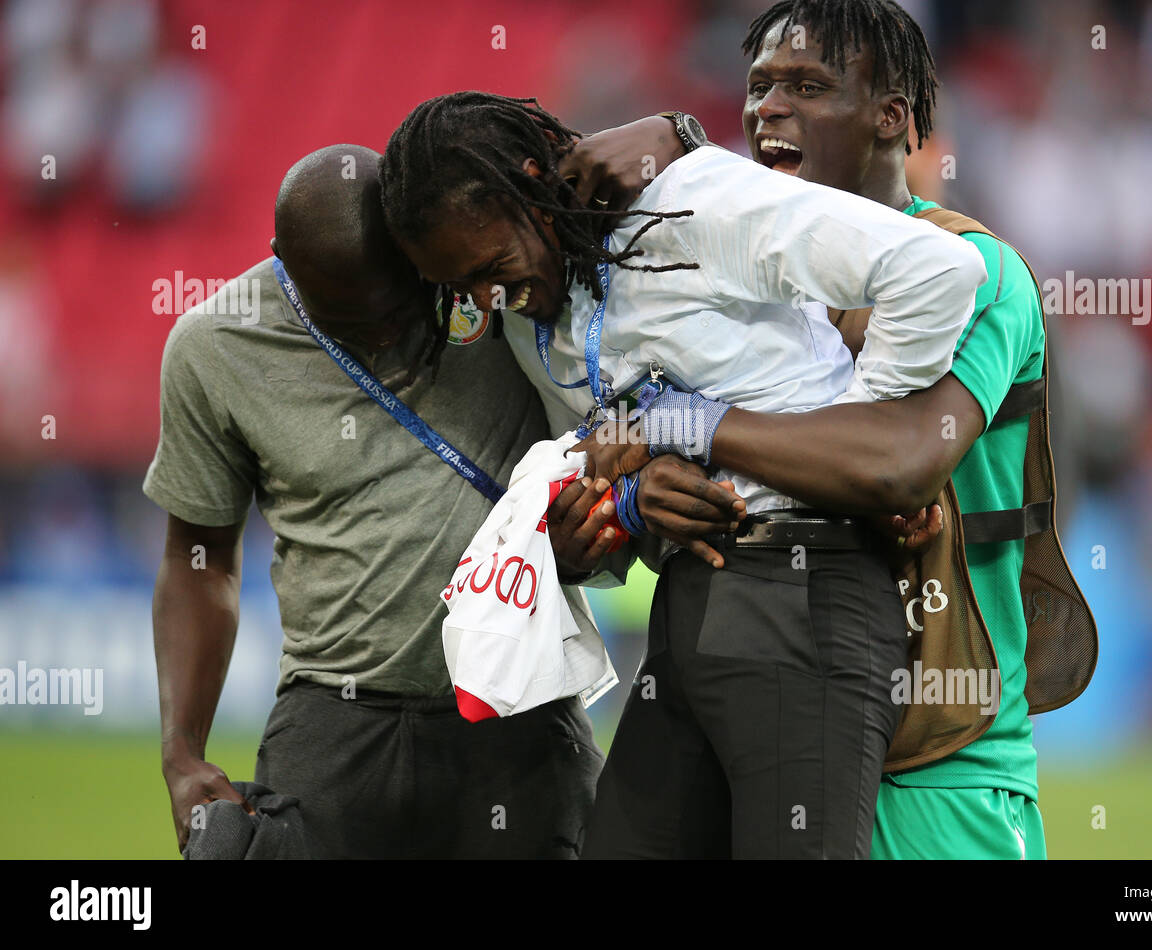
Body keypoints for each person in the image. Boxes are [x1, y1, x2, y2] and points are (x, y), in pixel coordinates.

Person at [378, 91, 987, 857]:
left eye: (488, 268)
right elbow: (619, 455)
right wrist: (620, 510)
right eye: (458, 288)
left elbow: (937, 270)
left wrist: (862, 445)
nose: (485, 299)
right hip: (690, 599)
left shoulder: (693, 203)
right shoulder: (533, 323)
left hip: (807, 583)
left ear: (532, 187)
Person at [145, 141, 740, 859]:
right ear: (287, 270)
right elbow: (198, 559)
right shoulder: (215, 347)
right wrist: (181, 751)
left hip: (519, 711)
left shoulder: (494, 283)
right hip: (335, 719)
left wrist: (669, 132)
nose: (394, 332)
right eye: (360, 325)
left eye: (405, 303)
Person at [584, 0, 1079, 859]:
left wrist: (689, 424)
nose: (769, 108)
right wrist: (646, 490)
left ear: (892, 116)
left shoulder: (974, 270)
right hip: (769, 732)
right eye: (760, 87)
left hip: (940, 763)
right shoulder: (757, 287)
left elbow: (897, 464)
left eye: (808, 86)